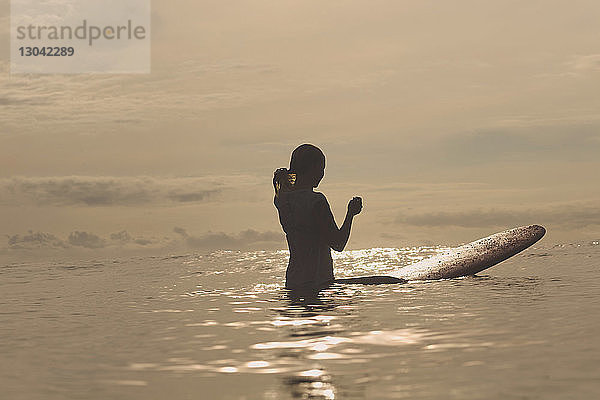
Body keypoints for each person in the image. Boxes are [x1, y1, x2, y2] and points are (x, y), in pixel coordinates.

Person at [273, 144, 362, 291]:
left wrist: (286, 177)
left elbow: (282, 185)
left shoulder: (281, 199)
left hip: (293, 282)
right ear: (313, 168)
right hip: (318, 281)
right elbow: (338, 244)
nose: (322, 174)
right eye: (322, 169)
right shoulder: (316, 201)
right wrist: (350, 213)